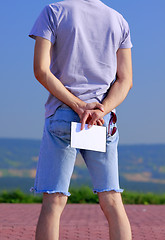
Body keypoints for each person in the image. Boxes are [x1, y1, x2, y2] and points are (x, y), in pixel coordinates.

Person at [29, 0, 133, 239]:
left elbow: (41, 70)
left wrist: (78, 105)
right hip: (100, 119)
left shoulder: (53, 12)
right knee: (113, 200)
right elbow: (125, 80)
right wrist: (100, 110)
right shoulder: (118, 20)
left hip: (64, 114)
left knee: (54, 202)